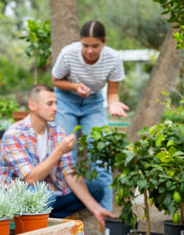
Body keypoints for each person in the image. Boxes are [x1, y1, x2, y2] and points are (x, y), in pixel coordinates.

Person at [0, 84, 115, 226]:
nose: (56, 108)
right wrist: (59, 151)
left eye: (56, 103)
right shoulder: (14, 134)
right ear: (32, 106)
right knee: (41, 195)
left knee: (96, 189)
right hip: (21, 197)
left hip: (49, 195)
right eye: (50, 104)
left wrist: (96, 209)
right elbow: (30, 178)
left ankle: (48, 218)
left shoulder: (57, 131)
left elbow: (69, 173)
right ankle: (39, 219)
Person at [52, 20, 129, 211]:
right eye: (85, 45)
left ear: (104, 42)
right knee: (67, 153)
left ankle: (105, 217)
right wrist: (74, 86)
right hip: (66, 101)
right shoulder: (68, 53)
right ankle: (63, 208)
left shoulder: (113, 59)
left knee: (101, 156)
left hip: (94, 104)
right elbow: (56, 80)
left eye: (95, 46)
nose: (89, 51)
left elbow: (112, 93)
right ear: (80, 42)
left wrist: (113, 104)